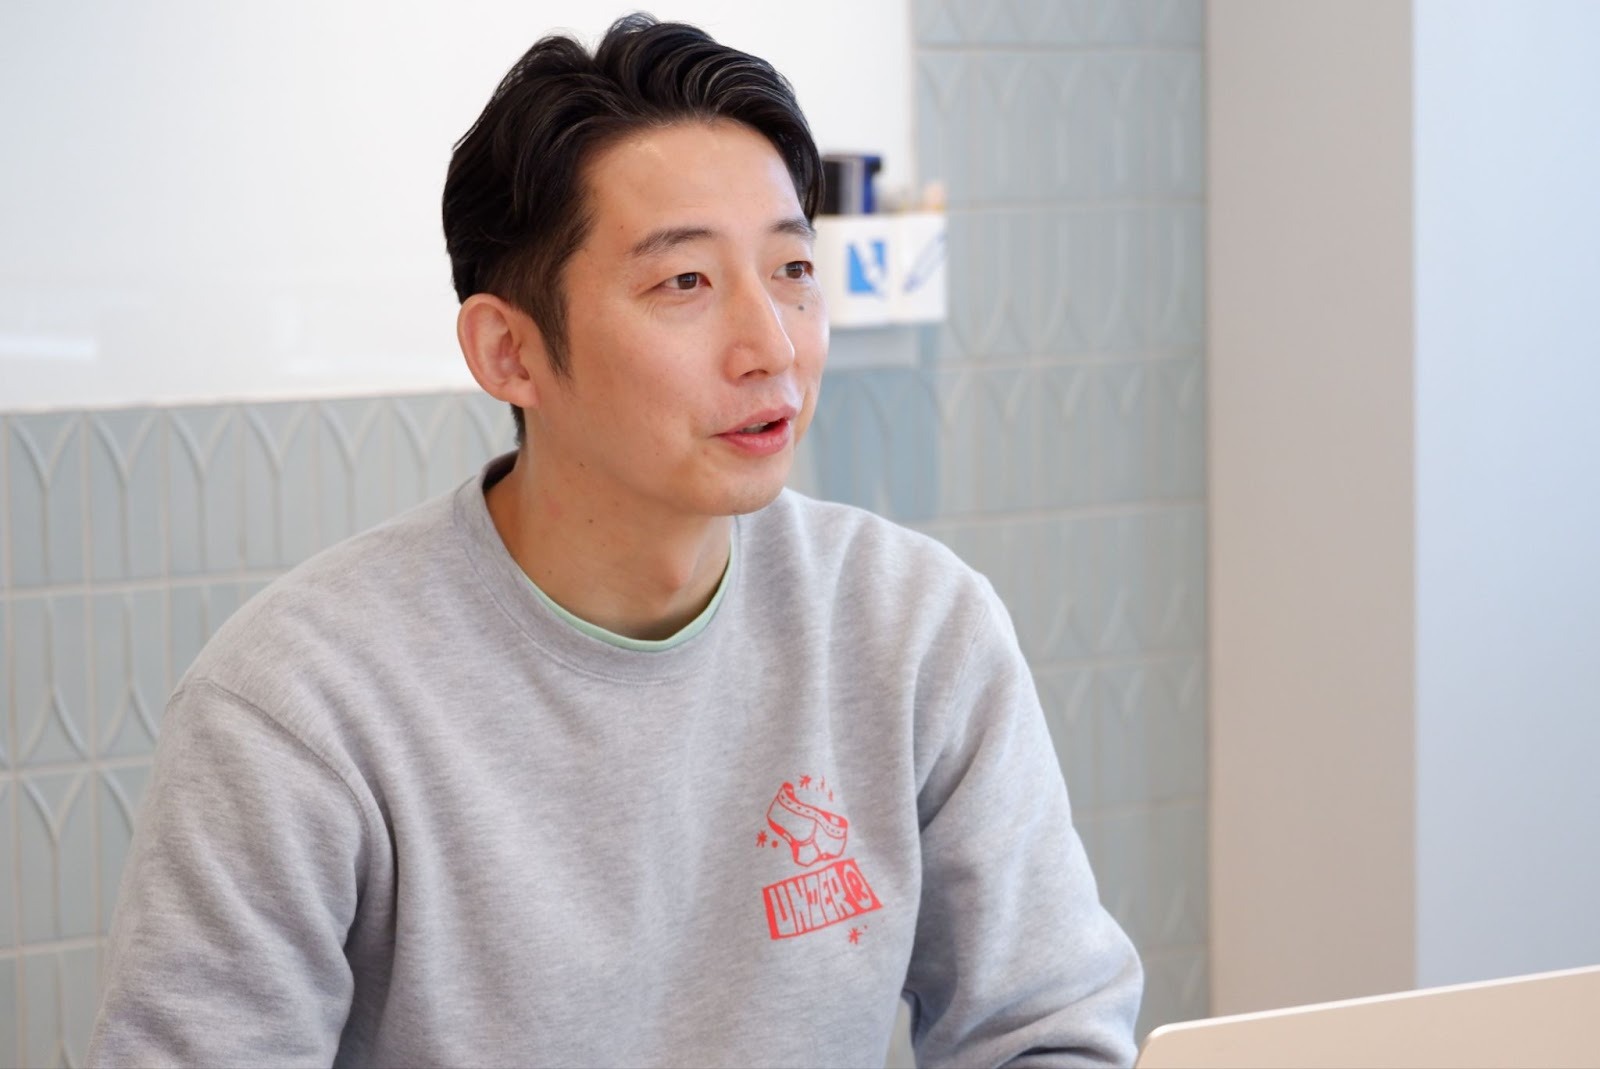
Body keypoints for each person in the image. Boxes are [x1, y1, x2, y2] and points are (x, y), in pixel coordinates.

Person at [88, 14, 1141, 1067]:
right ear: (509, 352)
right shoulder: (297, 706)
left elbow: (1046, 1030)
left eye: (791, 268)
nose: (771, 345)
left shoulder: (914, 628)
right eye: (685, 283)